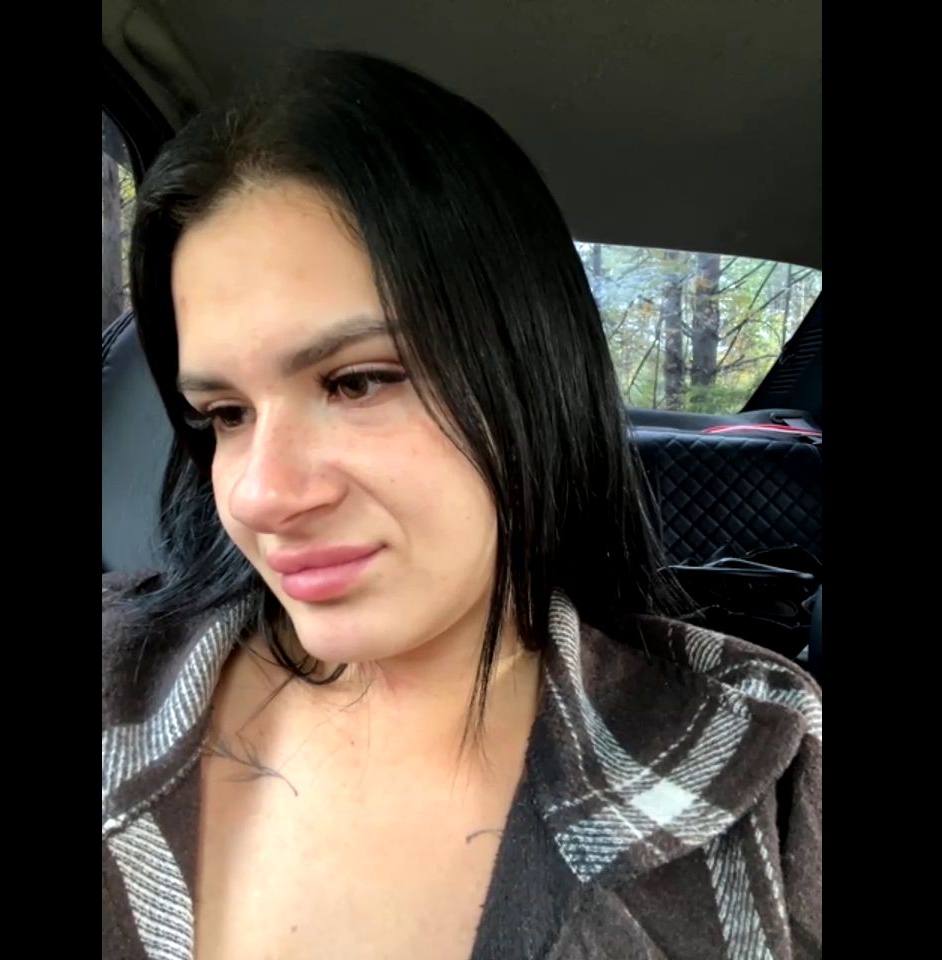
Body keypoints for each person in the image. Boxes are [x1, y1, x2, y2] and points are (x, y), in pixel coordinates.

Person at [102, 50, 821, 960]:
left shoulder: (768, 764)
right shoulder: (115, 671)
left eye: (357, 381)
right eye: (226, 416)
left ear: (533, 373)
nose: (261, 495)